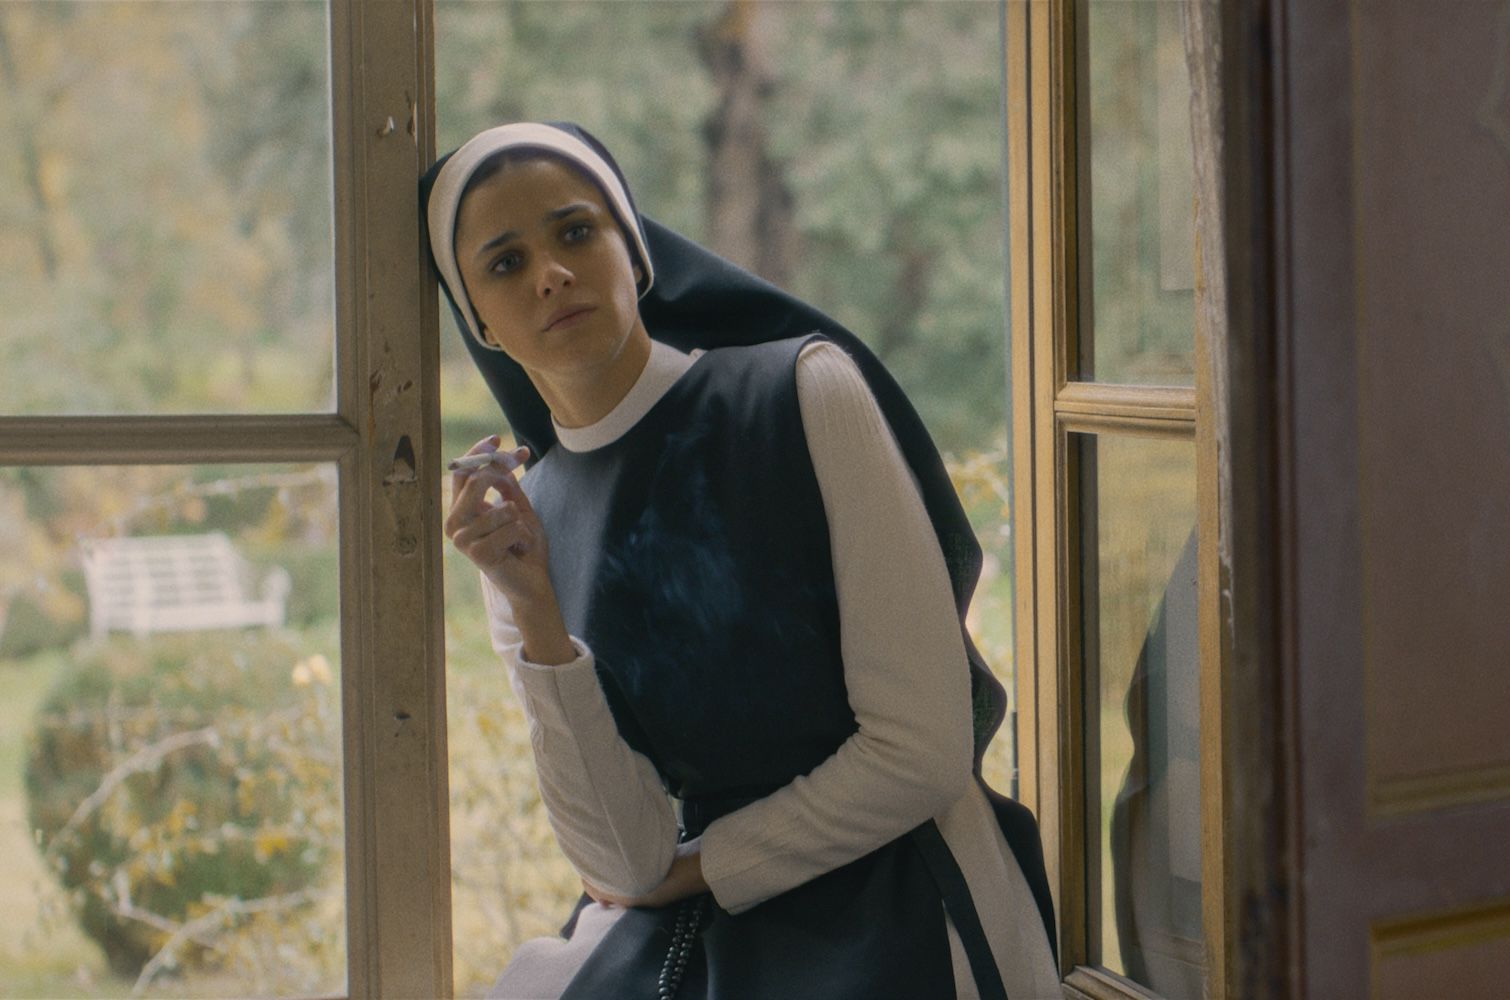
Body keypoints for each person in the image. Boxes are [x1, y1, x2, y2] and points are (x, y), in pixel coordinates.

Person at [421, 122, 1060, 999]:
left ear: (633, 253)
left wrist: (705, 867)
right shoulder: (530, 528)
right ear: (479, 323)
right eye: (504, 263)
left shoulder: (799, 392)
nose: (551, 274)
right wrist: (534, 612)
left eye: (576, 232)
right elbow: (620, 859)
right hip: (698, 921)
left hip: (902, 880)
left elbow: (925, 750)